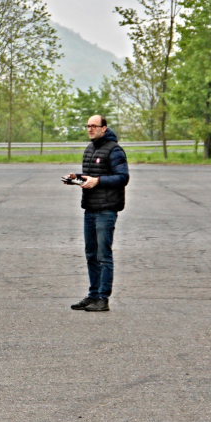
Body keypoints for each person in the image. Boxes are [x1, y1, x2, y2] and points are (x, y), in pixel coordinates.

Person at [64, 115, 129, 312]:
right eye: (88, 126)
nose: (90, 129)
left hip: (106, 210)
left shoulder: (115, 150)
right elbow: (91, 175)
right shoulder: (90, 149)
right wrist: (76, 178)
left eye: (94, 126)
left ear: (104, 128)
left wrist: (98, 181)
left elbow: (122, 177)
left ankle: (103, 298)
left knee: (103, 255)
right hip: (90, 208)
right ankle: (93, 295)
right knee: (91, 254)